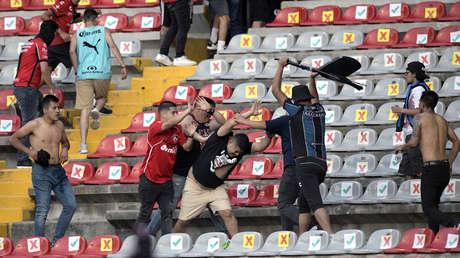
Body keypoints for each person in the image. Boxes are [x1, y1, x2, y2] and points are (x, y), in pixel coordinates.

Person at [174, 101, 273, 237]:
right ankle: (173, 242)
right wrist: (249, 113)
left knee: (228, 214)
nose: (237, 154)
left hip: (215, 188)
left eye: (239, 153)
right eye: (235, 151)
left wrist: (269, 136)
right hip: (195, 186)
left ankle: (235, 245)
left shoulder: (242, 149)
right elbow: (232, 121)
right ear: (230, 141)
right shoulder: (219, 138)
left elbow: (260, 146)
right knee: (183, 221)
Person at [147, 97, 230, 235]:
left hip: (200, 172)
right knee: (169, 206)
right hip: (181, 171)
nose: (206, 112)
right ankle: (149, 234)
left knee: (214, 203)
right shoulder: (187, 120)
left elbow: (224, 123)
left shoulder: (208, 124)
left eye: (207, 109)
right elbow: (187, 133)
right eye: (202, 108)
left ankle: (227, 234)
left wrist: (212, 110)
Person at [272, 57, 333, 235]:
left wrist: (280, 66)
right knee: (303, 205)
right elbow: (316, 98)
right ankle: (302, 237)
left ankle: (331, 236)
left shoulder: (296, 110)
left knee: (315, 203)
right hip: (321, 164)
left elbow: (276, 91)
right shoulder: (319, 110)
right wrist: (312, 79)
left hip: (304, 164)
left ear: (296, 100)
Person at [9, 95, 75, 244]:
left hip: (58, 171)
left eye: (59, 108)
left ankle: (56, 241)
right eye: (54, 108)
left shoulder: (59, 125)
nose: (58, 110)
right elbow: (13, 138)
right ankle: (39, 244)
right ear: (45, 110)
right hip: (41, 171)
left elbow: (65, 143)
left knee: (70, 205)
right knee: (42, 211)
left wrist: (65, 149)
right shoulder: (34, 124)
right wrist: (30, 152)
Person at [396, 91, 459, 234]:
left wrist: (402, 146)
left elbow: (413, 142)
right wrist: (449, 162)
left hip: (431, 168)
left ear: (422, 104)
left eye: (419, 103)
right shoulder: (442, 120)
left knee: (428, 208)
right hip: (443, 168)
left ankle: (454, 225)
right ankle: (433, 237)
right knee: (434, 207)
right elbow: (456, 142)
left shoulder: (419, 118)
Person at [69, 9, 128, 154]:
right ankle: (96, 110)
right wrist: (122, 65)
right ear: (95, 19)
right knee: (101, 98)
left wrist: (77, 70)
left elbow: (71, 51)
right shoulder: (104, 30)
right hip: (101, 72)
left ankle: (83, 145)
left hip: (84, 74)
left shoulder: (77, 34)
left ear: (84, 20)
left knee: (84, 109)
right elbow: (113, 47)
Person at [135, 100, 196, 235]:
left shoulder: (177, 129)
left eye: (176, 112)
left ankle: (166, 242)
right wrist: (187, 111)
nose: (176, 115)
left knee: (167, 214)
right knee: (145, 214)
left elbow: (186, 147)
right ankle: (138, 245)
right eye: (173, 112)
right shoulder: (155, 127)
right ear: (163, 113)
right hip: (149, 178)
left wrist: (191, 135)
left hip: (166, 180)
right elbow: (168, 123)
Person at [232, 115, 300, 230]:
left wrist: (243, 121)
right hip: (311, 165)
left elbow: (264, 124)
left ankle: (312, 227)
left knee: (283, 204)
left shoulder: (287, 120)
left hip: (294, 166)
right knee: (291, 204)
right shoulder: (311, 118)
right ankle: (288, 236)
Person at [13, 20, 58, 168]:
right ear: (50, 33)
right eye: (54, 34)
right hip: (27, 89)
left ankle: (40, 153)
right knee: (29, 123)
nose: (54, 37)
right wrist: (51, 88)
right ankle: (22, 159)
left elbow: (26, 67)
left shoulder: (29, 43)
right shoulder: (41, 44)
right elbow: (44, 69)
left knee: (41, 118)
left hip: (23, 87)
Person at [392, 61, 430, 179]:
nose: (405, 75)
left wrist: (401, 110)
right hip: (411, 131)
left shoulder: (418, 89)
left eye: (407, 72)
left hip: (416, 132)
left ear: (414, 74)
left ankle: (424, 193)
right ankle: (411, 192)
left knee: (418, 167)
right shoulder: (413, 88)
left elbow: (420, 111)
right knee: (407, 169)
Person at [41, 0, 81, 72]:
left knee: (47, 72)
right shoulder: (64, 2)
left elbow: (70, 19)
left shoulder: (72, 6)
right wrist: (61, 33)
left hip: (54, 44)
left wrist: (90, 15)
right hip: (59, 43)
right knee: (80, 61)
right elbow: (44, 16)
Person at [155, 0, 196, 66]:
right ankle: (179, 56)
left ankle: (163, 53)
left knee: (175, 26)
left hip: (169, 2)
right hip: (179, 1)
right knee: (183, 26)